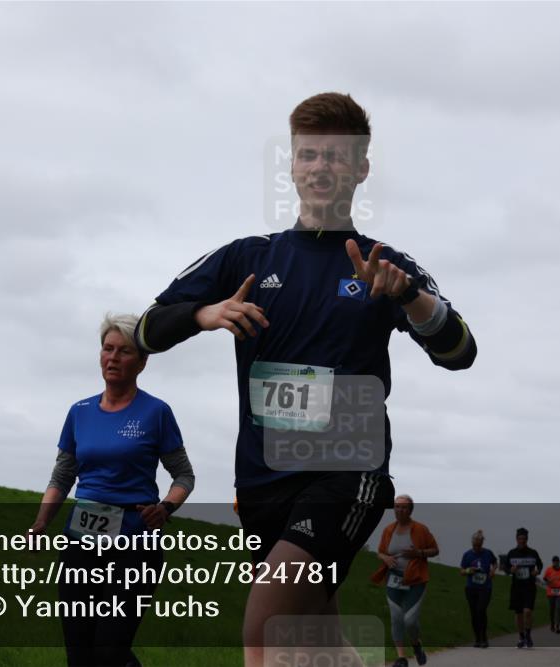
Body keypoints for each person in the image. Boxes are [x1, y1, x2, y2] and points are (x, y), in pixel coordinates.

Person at [133, 92, 477, 667]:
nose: (321, 167)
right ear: (292, 166)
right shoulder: (246, 257)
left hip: (349, 474)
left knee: (267, 628)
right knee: (316, 648)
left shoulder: (387, 264)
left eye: (337, 157)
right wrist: (203, 314)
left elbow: (459, 352)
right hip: (263, 485)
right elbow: (144, 330)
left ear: (361, 169)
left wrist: (410, 298)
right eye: (308, 155)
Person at [29, 314, 195, 667]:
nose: (113, 358)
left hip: (135, 545)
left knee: (110, 650)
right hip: (81, 543)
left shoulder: (156, 412)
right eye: (107, 349)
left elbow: (183, 475)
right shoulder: (80, 412)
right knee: (79, 651)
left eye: (124, 351)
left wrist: (165, 507)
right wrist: (41, 523)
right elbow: (62, 476)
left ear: (143, 361)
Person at [371, 495, 439, 667]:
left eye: (403, 507)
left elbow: (435, 550)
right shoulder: (388, 530)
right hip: (393, 579)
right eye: (397, 507)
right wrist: (385, 558)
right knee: (396, 618)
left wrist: (419, 553)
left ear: (410, 510)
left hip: (415, 580)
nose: (399, 510)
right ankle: (401, 658)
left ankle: (416, 645)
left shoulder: (420, 529)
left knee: (410, 621)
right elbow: (380, 551)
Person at [505, 527, 543, 649]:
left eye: (524, 539)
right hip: (516, 587)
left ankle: (528, 635)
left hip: (529, 587)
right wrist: (510, 570)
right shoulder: (511, 553)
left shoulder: (533, 552)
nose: (521, 541)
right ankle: (521, 637)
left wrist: (537, 571)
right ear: (516, 539)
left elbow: (540, 565)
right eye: (519, 538)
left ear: (527, 539)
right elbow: (505, 568)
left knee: (527, 611)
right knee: (519, 614)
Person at [460, 529, 498, 649]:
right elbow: (461, 571)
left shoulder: (488, 553)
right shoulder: (467, 555)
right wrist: (468, 570)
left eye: (478, 545)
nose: (476, 547)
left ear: (482, 543)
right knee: (474, 613)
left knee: (481, 610)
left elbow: (495, 562)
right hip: (471, 588)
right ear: (472, 543)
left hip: (485, 587)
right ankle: (477, 638)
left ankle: (484, 637)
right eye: (474, 545)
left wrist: (492, 570)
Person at [543, 556, 560, 634]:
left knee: (558, 608)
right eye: (554, 561)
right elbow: (544, 578)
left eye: (556, 561)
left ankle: (557, 626)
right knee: (552, 609)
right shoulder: (548, 569)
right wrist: (548, 580)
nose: (555, 563)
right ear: (552, 562)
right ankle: (552, 624)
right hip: (551, 590)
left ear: (559, 562)